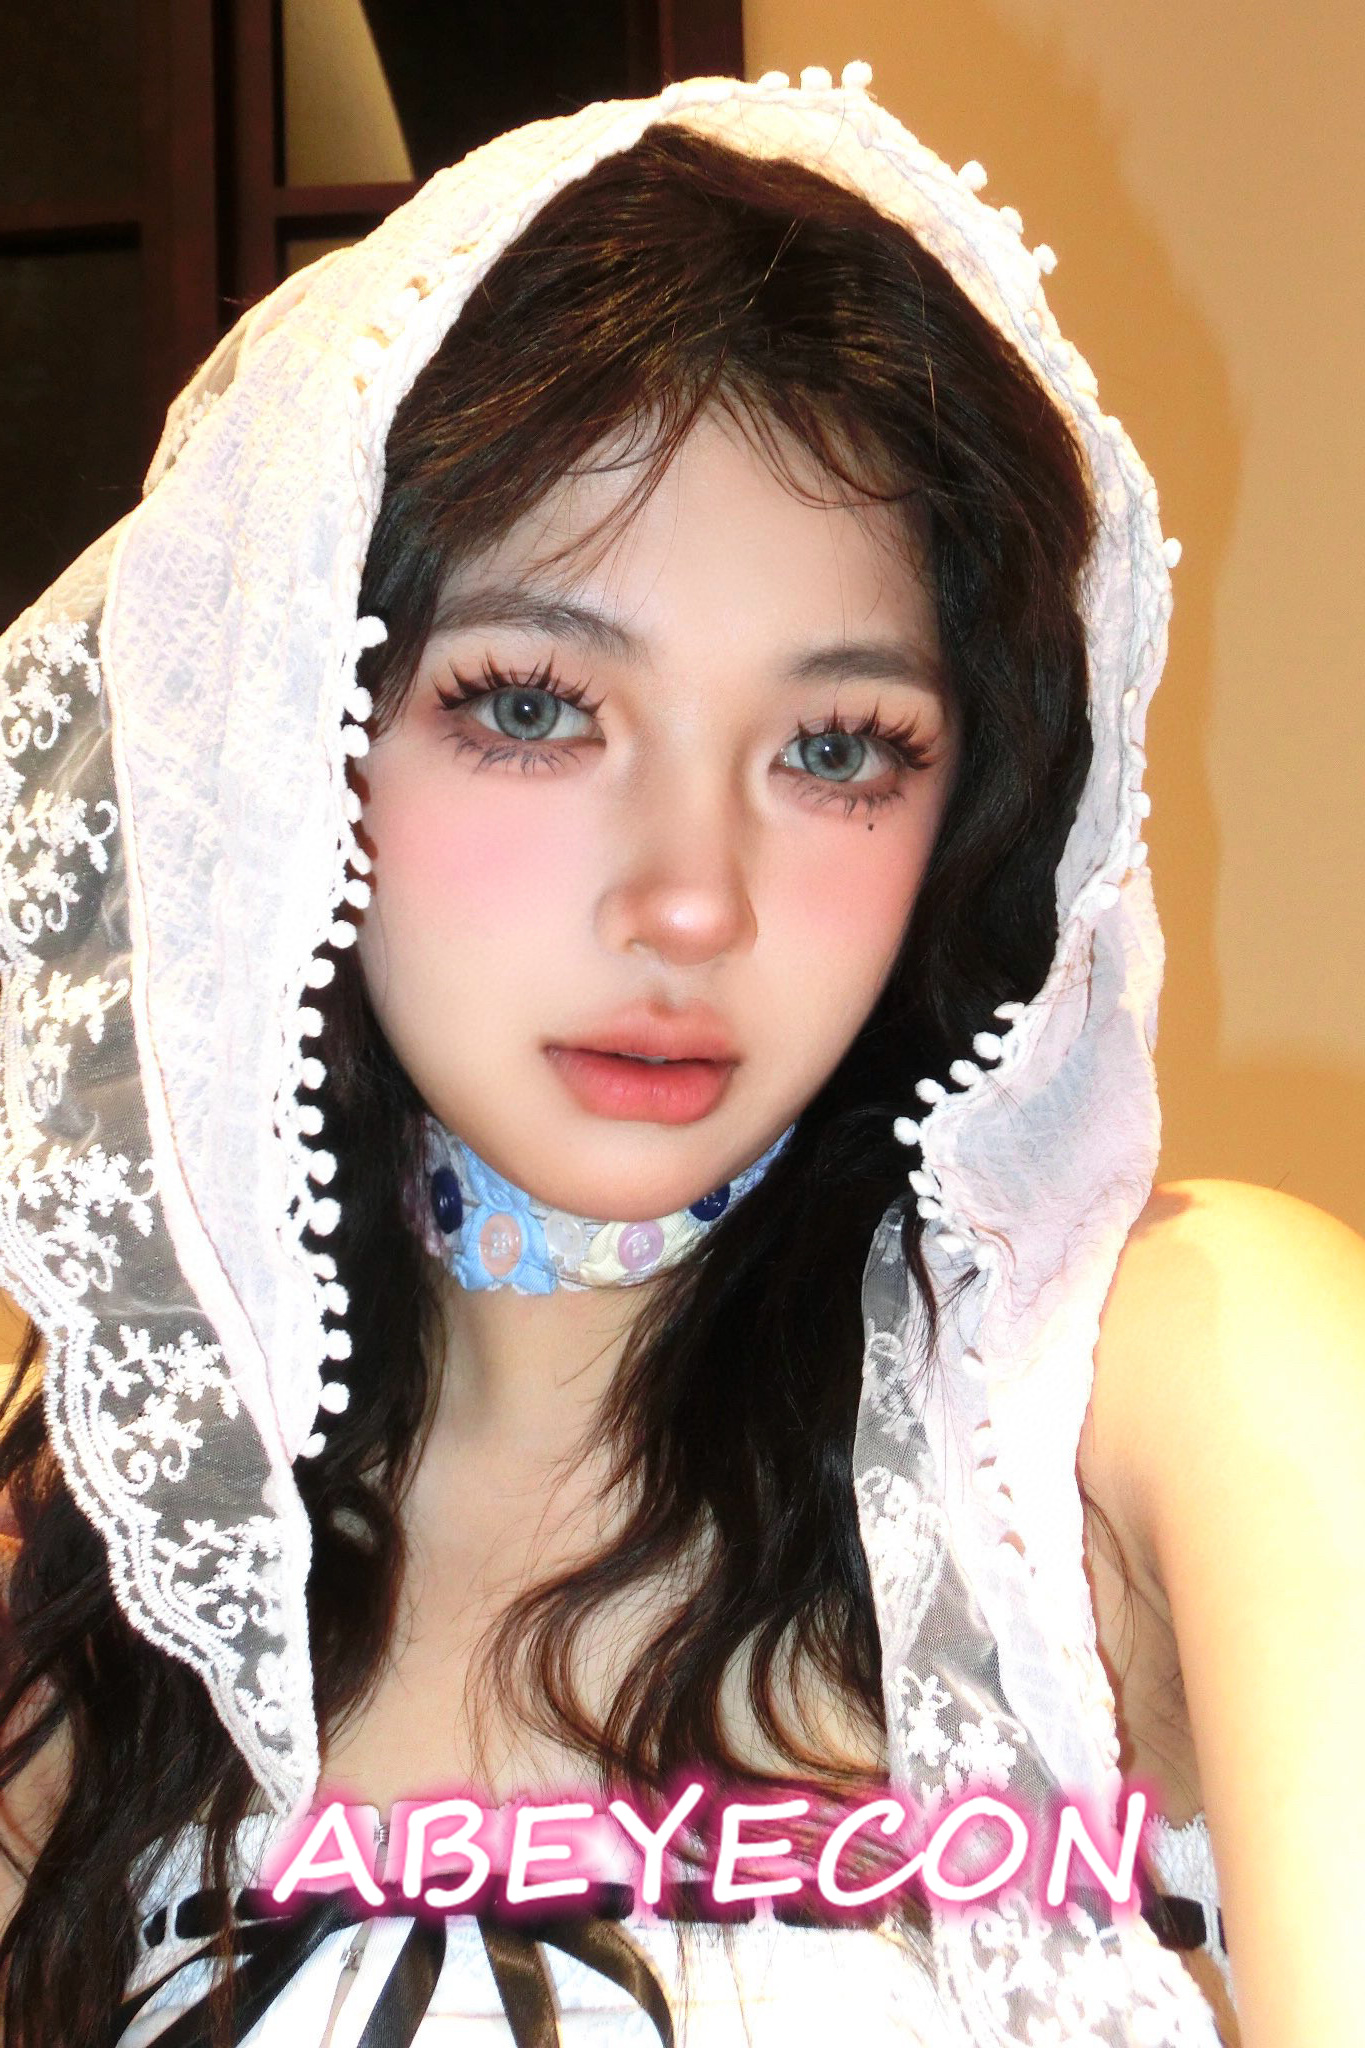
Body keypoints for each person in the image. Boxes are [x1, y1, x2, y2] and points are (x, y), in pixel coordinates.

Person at [0, 61, 1360, 2048]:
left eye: (836, 746)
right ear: (297, 734)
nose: (692, 901)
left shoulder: (1162, 1381)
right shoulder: (117, 1570)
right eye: (534, 705)